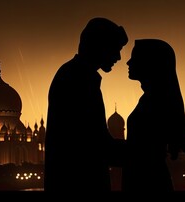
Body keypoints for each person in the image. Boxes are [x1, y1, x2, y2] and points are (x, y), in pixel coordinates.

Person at [44, 17, 128, 191]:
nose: (118, 57)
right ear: (100, 45)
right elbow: (94, 145)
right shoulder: (79, 79)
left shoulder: (74, 74)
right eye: (115, 49)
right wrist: (145, 152)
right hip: (79, 183)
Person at [122, 39, 185, 192]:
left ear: (150, 63)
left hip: (147, 180)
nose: (128, 62)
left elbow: (142, 151)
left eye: (135, 58)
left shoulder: (155, 101)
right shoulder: (153, 99)